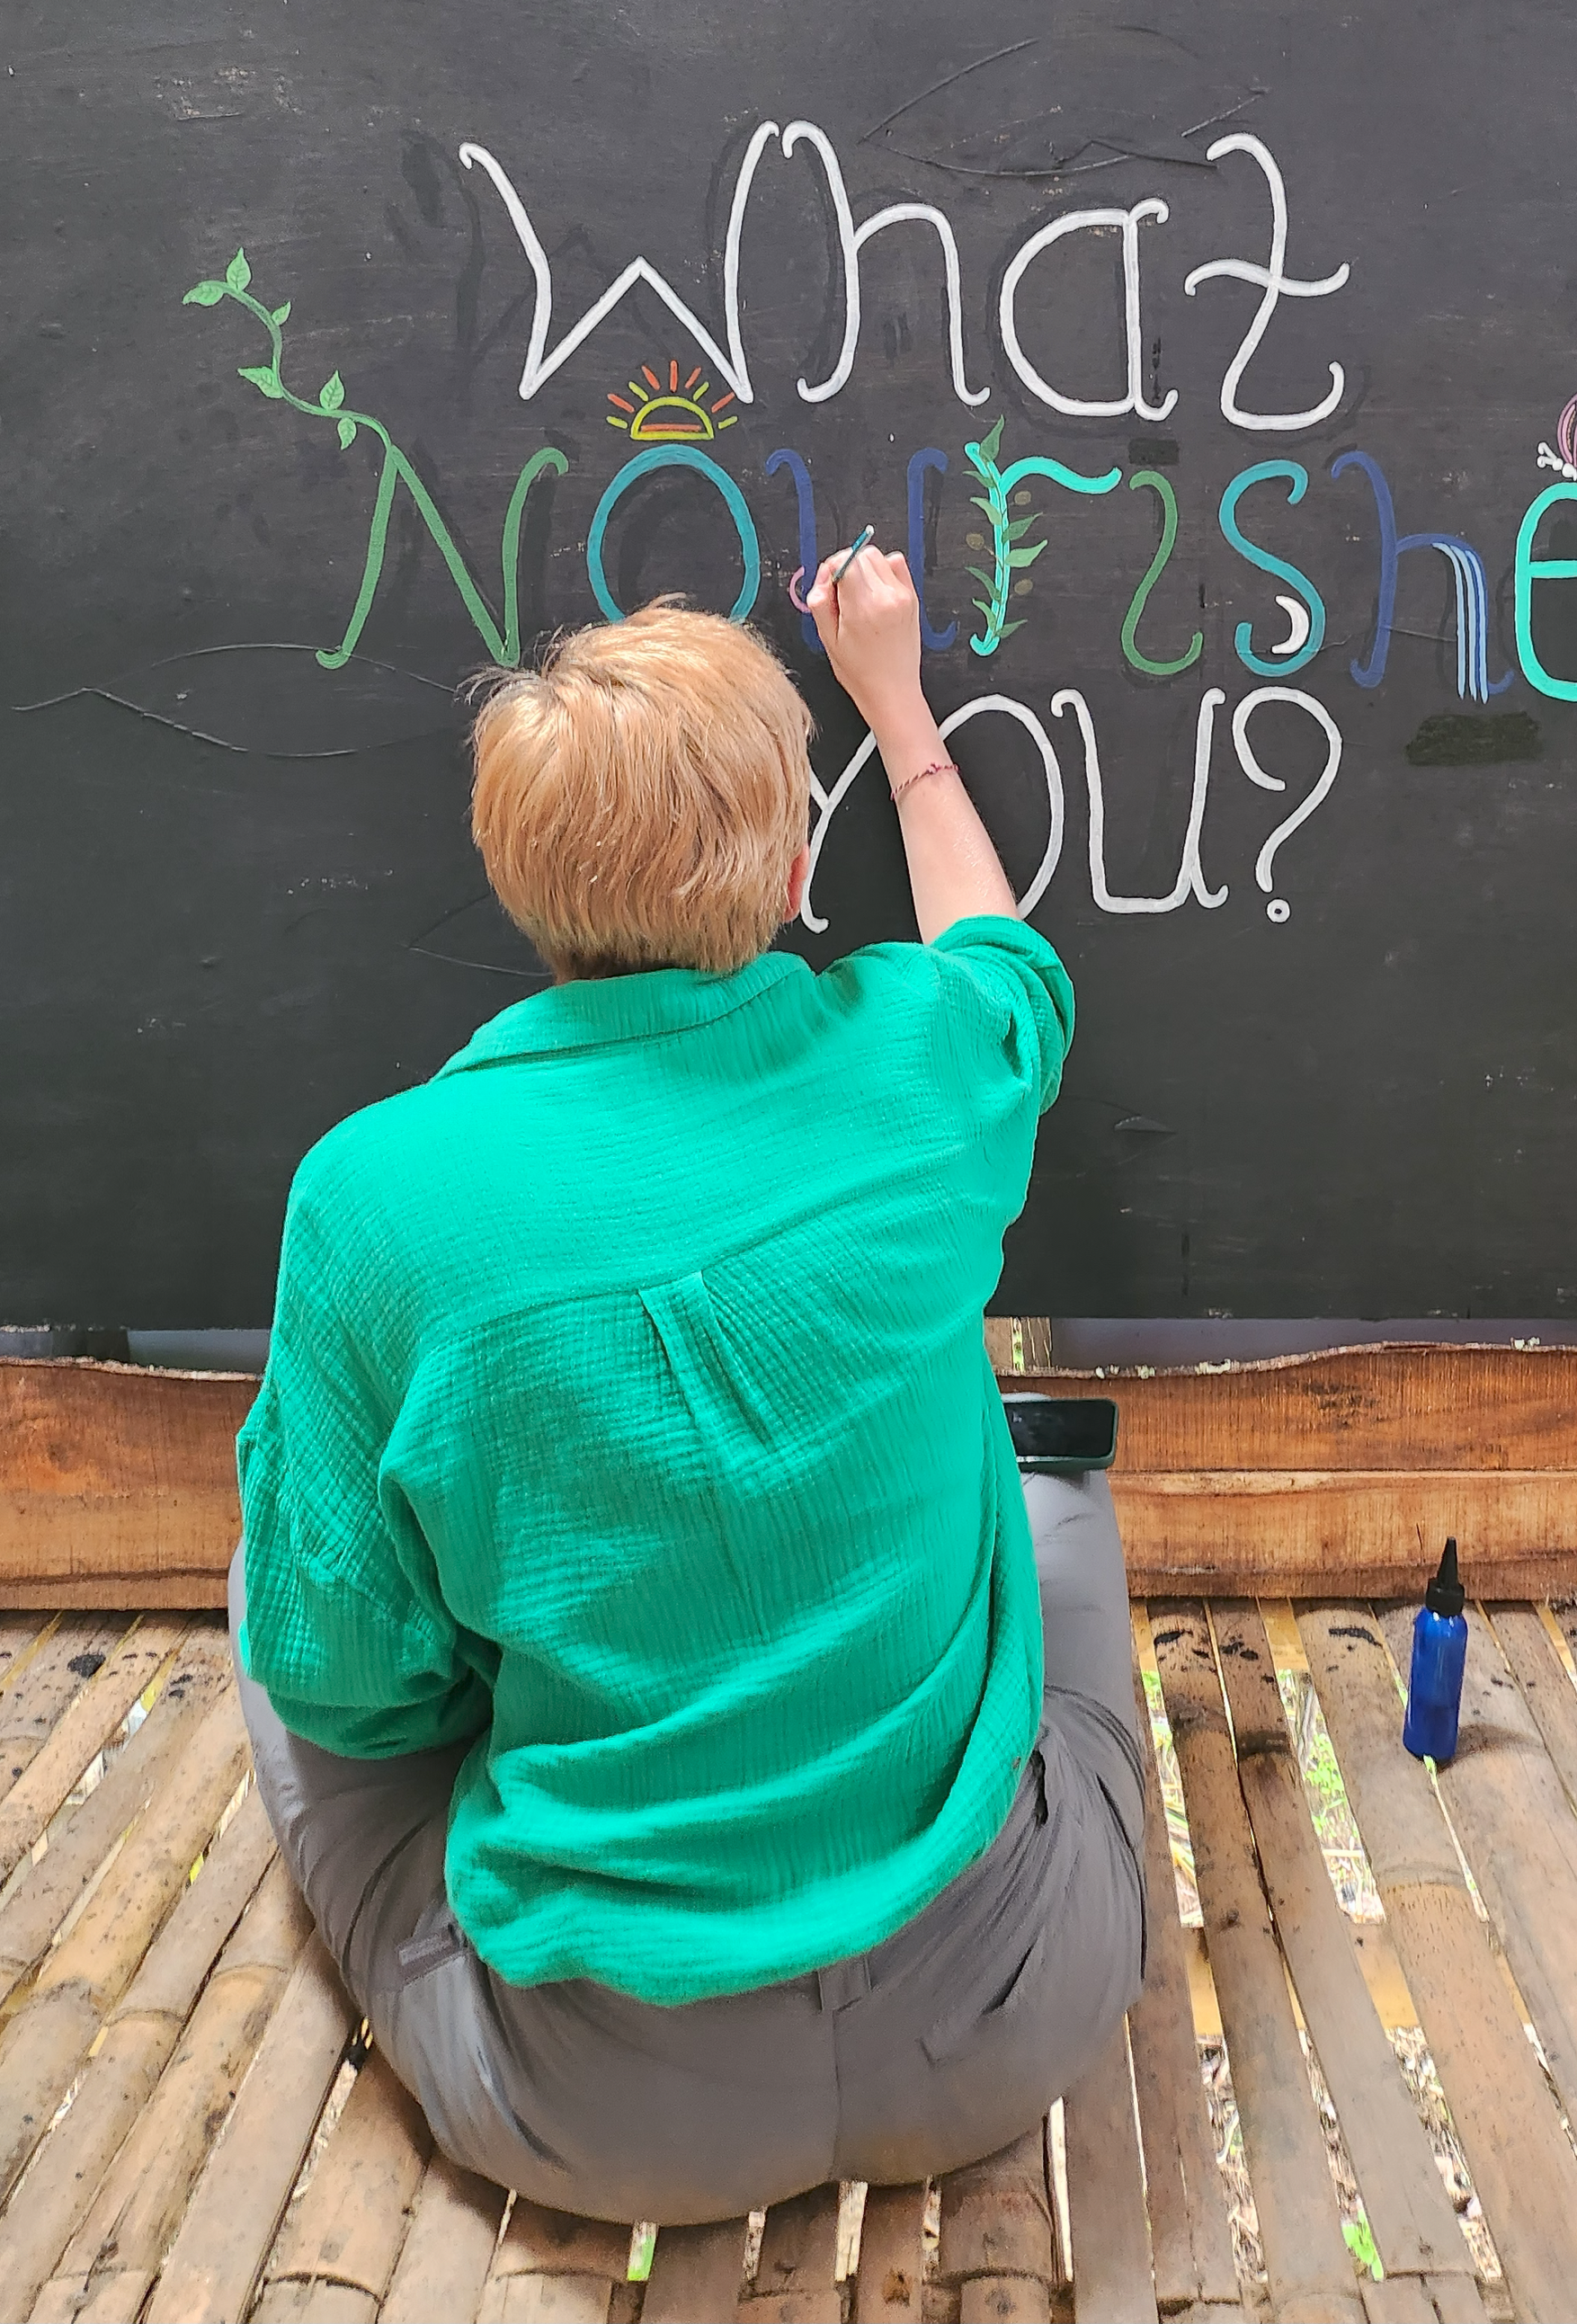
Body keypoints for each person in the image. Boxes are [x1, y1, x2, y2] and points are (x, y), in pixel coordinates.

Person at [230, 545, 1146, 2223]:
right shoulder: (922, 1061)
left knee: (285, 1566)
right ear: (800, 867)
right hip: (1010, 2013)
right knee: (1061, 1509)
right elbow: (1010, 965)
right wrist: (899, 707)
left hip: (602, 2107)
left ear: (513, 873)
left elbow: (355, 1694)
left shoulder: (372, 1203)